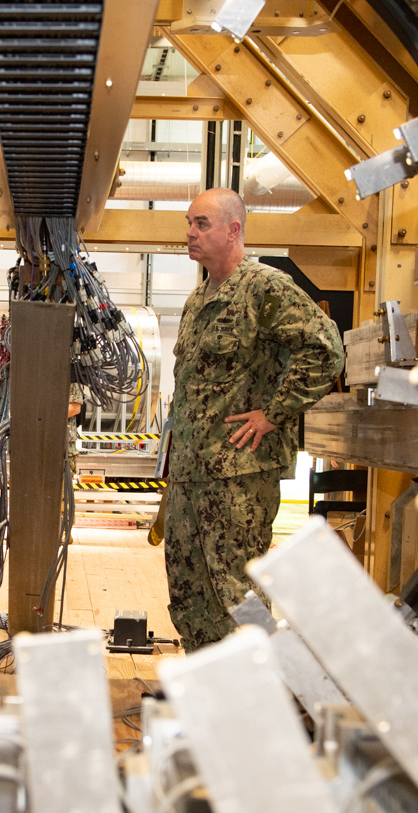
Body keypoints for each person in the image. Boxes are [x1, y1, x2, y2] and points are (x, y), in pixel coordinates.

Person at [165, 188, 344, 652]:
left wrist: (274, 413)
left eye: (201, 223)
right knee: (189, 591)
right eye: (189, 222)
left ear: (233, 230)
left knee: (236, 591)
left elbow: (325, 348)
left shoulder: (264, 288)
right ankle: (207, 689)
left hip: (238, 474)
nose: (190, 232)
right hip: (189, 474)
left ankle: (255, 692)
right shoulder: (197, 300)